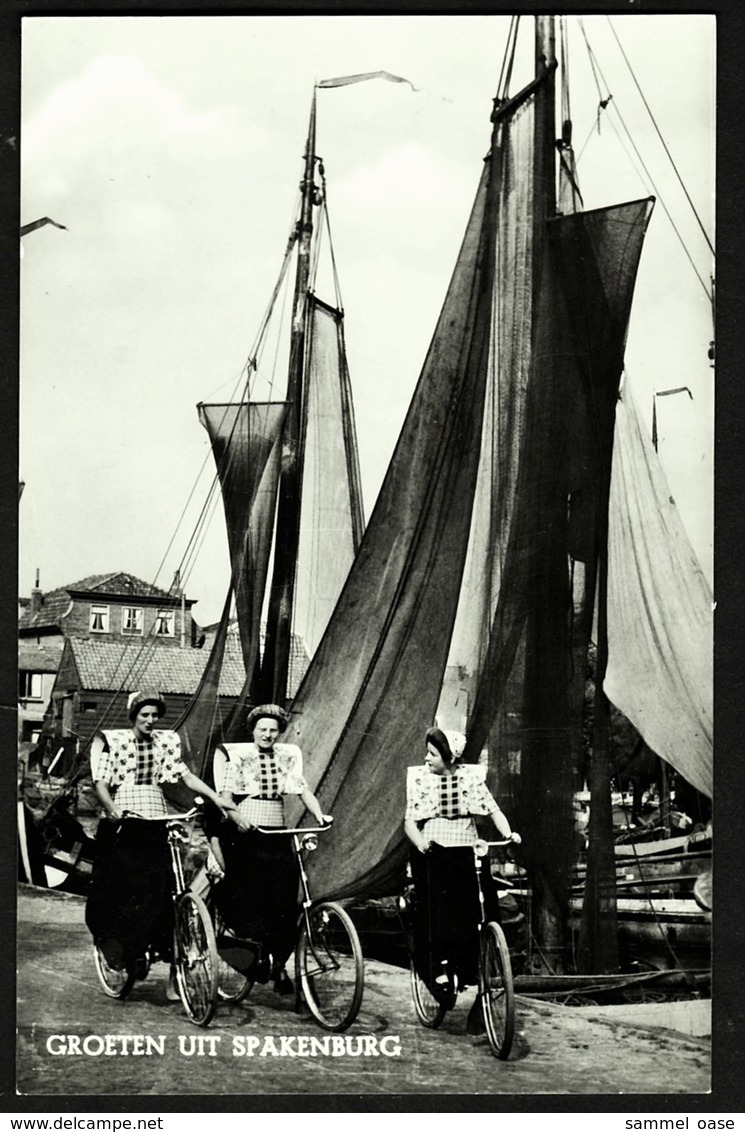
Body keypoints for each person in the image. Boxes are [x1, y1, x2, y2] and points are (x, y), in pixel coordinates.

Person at [85, 690, 236, 987]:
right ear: (134, 716)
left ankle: (158, 951)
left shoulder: (164, 743)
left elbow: (186, 776)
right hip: (126, 822)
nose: (151, 721)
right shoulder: (114, 743)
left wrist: (217, 798)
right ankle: (124, 948)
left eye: (155, 716)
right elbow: (101, 783)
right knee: (128, 887)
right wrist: (113, 808)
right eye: (145, 715)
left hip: (155, 819)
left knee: (163, 886)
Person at [207, 703, 331, 995]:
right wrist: (237, 818)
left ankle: (279, 963)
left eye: (273, 730)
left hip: (276, 835)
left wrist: (319, 815)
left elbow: (303, 791)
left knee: (285, 901)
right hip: (246, 836)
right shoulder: (238, 758)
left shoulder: (286, 758)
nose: (268, 734)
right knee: (251, 896)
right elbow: (225, 798)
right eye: (262, 729)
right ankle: (253, 954)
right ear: (253, 731)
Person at [404, 726, 521, 1031]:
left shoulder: (470, 779)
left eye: (432, 753)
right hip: (433, 854)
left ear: (448, 755)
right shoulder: (420, 780)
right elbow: (409, 823)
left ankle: (480, 988)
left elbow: (493, 810)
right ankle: (440, 973)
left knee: (480, 915)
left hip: (467, 853)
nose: (426, 757)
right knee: (436, 916)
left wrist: (509, 833)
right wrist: (420, 842)